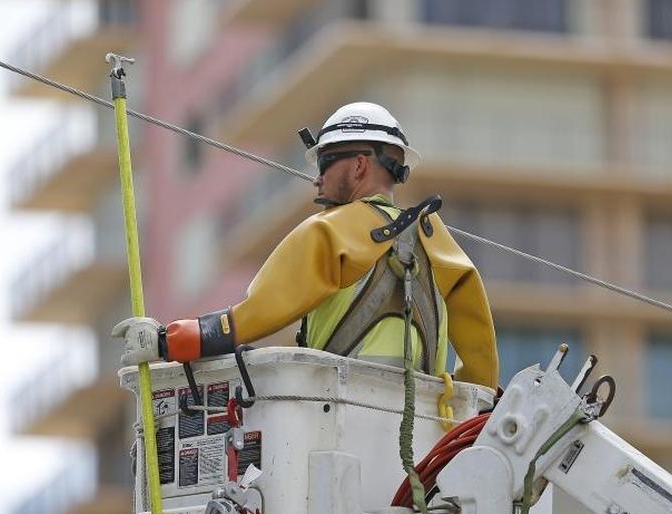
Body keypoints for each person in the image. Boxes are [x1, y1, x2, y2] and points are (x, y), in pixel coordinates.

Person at [114, 102, 499, 388]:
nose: (317, 179)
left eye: (325, 164)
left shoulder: (331, 231)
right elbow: (482, 365)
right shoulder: (438, 242)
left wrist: (166, 342)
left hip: (341, 422)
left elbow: (255, 315)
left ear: (359, 165)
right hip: (422, 443)